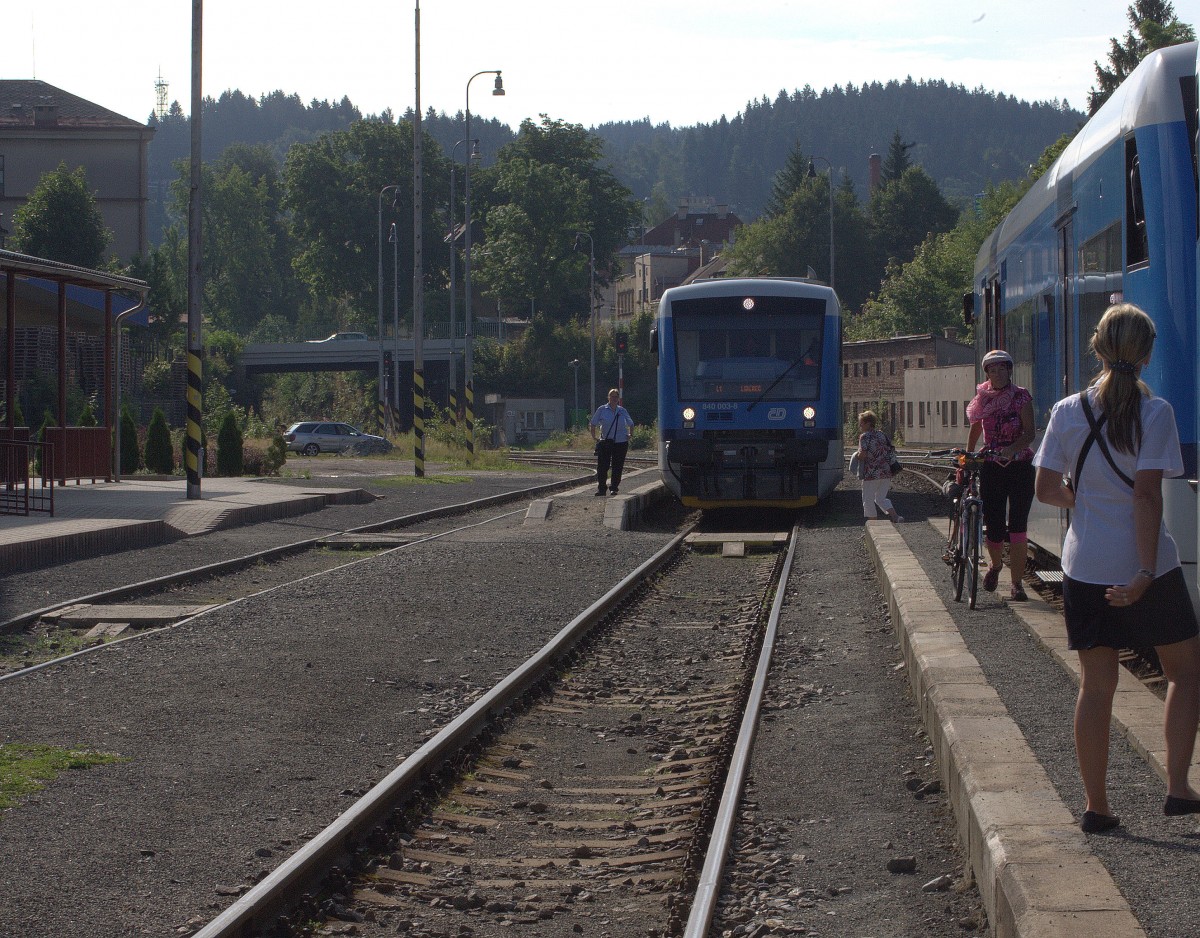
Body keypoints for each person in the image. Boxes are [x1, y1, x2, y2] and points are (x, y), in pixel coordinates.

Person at [1033, 303, 1200, 834]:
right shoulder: (1157, 414)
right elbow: (1148, 496)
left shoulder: (1064, 411)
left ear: (1098, 348)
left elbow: (1043, 490)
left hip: (1086, 569)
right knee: (1185, 672)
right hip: (1150, 569)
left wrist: (1082, 503)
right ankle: (1177, 788)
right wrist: (1145, 573)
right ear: (1146, 354)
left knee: (1096, 686)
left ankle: (1097, 807)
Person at [966, 348, 1036, 601]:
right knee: (994, 527)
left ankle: (1016, 583)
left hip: (1019, 467)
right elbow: (975, 430)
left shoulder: (1021, 397)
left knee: (1018, 527)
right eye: (991, 370)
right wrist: (967, 456)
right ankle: (996, 567)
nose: (997, 374)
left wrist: (1012, 449)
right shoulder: (982, 398)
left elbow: (1030, 432)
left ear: (1009, 370)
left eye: (1001, 369)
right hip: (992, 467)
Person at [854, 410, 902, 522]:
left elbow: (863, 454)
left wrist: (857, 456)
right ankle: (895, 517)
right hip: (886, 472)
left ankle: (873, 523)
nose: (860, 425)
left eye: (861, 423)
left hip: (871, 473)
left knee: (868, 499)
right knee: (880, 498)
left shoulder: (864, 437)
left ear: (867, 423)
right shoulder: (881, 434)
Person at [590, 389, 634, 496]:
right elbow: (593, 423)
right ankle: (601, 489)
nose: (614, 399)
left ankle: (614, 488)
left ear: (618, 399)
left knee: (617, 466)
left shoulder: (622, 410)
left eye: (616, 397)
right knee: (602, 466)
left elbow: (631, 423)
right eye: (612, 396)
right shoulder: (602, 409)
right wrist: (594, 437)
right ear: (608, 397)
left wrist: (630, 435)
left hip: (621, 442)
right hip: (606, 442)